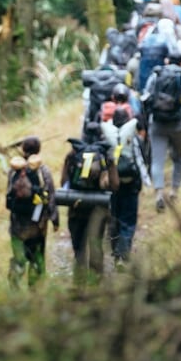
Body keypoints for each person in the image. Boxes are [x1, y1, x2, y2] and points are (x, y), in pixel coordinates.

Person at [60, 121, 119, 285]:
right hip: (97, 210)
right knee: (96, 246)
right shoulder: (105, 155)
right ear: (100, 135)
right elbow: (115, 185)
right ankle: (96, 284)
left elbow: (63, 182)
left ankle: (78, 284)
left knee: (79, 249)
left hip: (76, 208)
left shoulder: (73, 154)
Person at [142, 50, 181, 212]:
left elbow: (145, 99)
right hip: (178, 125)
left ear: (167, 61)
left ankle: (159, 194)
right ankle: (174, 191)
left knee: (157, 161)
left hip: (157, 124)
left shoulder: (155, 76)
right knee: (178, 158)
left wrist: (146, 125)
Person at [5, 136, 59, 289]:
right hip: (37, 225)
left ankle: (14, 285)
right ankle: (34, 289)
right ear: (38, 150)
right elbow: (50, 196)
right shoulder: (43, 171)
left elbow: (8, 196)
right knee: (36, 256)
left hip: (17, 223)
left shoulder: (13, 170)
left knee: (18, 256)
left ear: (23, 150)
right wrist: (55, 220)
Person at [101, 108, 149, 266]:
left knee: (114, 218)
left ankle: (116, 254)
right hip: (131, 184)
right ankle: (123, 253)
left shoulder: (106, 138)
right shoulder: (133, 138)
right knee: (128, 220)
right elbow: (143, 160)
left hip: (112, 186)